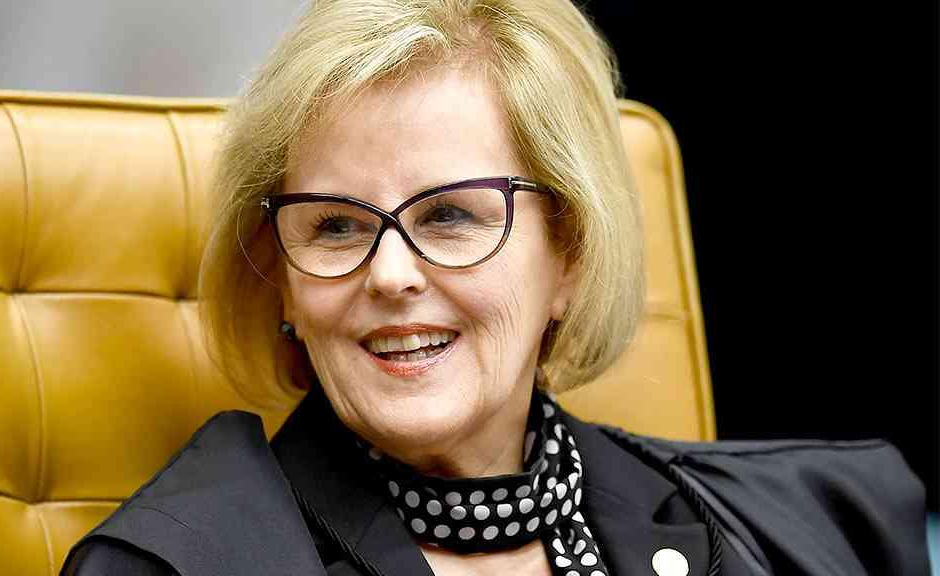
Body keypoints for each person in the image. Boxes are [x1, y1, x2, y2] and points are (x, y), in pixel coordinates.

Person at [60, 1, 929, 574]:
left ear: (570, 254)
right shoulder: (176, 563)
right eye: (335, 226)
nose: (390, 274)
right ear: (282, 281)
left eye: (449, 216)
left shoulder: (814, 521)